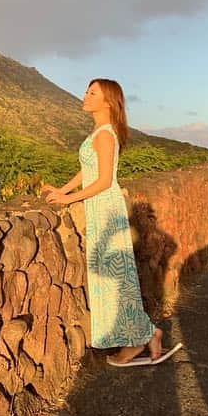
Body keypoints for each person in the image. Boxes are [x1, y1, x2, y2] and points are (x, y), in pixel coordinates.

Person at [39, 78, 167, 365]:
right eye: (86, 90)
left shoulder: (105, 134)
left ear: (108, 101)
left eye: (92, 92)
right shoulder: (98, 132)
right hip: (100, 211)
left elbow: (105, 180)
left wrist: (69, 200)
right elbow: (88, 170)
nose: (85, 96)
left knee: (118, 280)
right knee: (111, 279)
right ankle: (147, 334)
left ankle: (140, 338)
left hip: (106, 211)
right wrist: (63, 190)